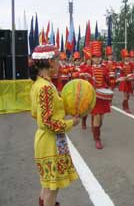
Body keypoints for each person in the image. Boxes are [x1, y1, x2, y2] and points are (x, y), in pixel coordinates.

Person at [30, 44, 79, 206]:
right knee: (52, 188)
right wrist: (71, 122)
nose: (60, 63)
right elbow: (47, 122)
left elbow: (35, 114)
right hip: (51, 141)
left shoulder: (40, 83)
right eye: (58, 60)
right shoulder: (45, 87)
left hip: (48, 139)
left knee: (47, 184)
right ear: (50, 62)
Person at [87, 41, 112, 149]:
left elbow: (109, 81)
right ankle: (97, 139)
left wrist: (111, 86)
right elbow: (77, 75)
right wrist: (83, 74)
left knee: (101, 119)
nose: (97, 59)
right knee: (97, 116)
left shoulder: (104, 68)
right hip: (93, 96)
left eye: (99, 57)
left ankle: (95, 129)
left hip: (102, 95)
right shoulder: (88, 68)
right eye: (95, 57)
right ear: (92, 58)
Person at [118, 49, 134, 113]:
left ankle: (124, 105)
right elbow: (119, 70)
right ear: (123, 58)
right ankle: (126, 108)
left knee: (128, 96)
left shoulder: (131, 64)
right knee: (125, 95)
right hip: (124, 81)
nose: (127, 58)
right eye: (126, 57)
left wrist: (133, 75)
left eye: (128, 57)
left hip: (129, 81)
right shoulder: (121, 64)